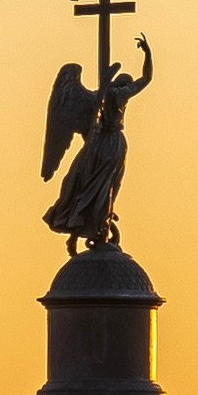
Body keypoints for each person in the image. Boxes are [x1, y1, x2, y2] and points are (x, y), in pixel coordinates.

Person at [43, 35, 153, 250]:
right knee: (103, 183)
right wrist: (147, 53)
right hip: (111, 143)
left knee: (82, 181)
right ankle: (96, 216)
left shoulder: (99, 95)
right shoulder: (119, 94)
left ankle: (85, 222)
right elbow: (146, 79)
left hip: (95, 144)